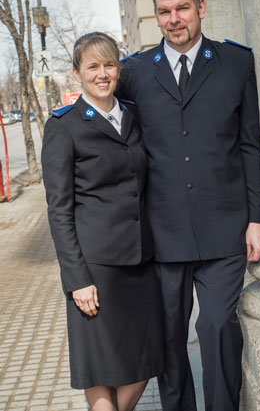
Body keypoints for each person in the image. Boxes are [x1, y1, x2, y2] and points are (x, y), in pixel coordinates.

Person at [116, 0, 260, 411]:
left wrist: (256, 217)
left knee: (219, 325)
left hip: (225, 227)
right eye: (164, 11)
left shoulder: (237, 63)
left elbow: (250, 145)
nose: (173, 19)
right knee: (168, 333)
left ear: (200, 8)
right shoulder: (134, 72)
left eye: (182, 8)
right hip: (162, 231)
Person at [41, 32, 164, 411]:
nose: (102, 73)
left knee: (145, 361)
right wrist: (78, 280)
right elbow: (59, 211)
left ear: (119, 69)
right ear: (78, 73)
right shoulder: (64, 126)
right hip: (96, 269)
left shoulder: (132, 114)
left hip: (141, 265)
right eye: (92, 66)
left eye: (109, 64)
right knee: (100, 369)